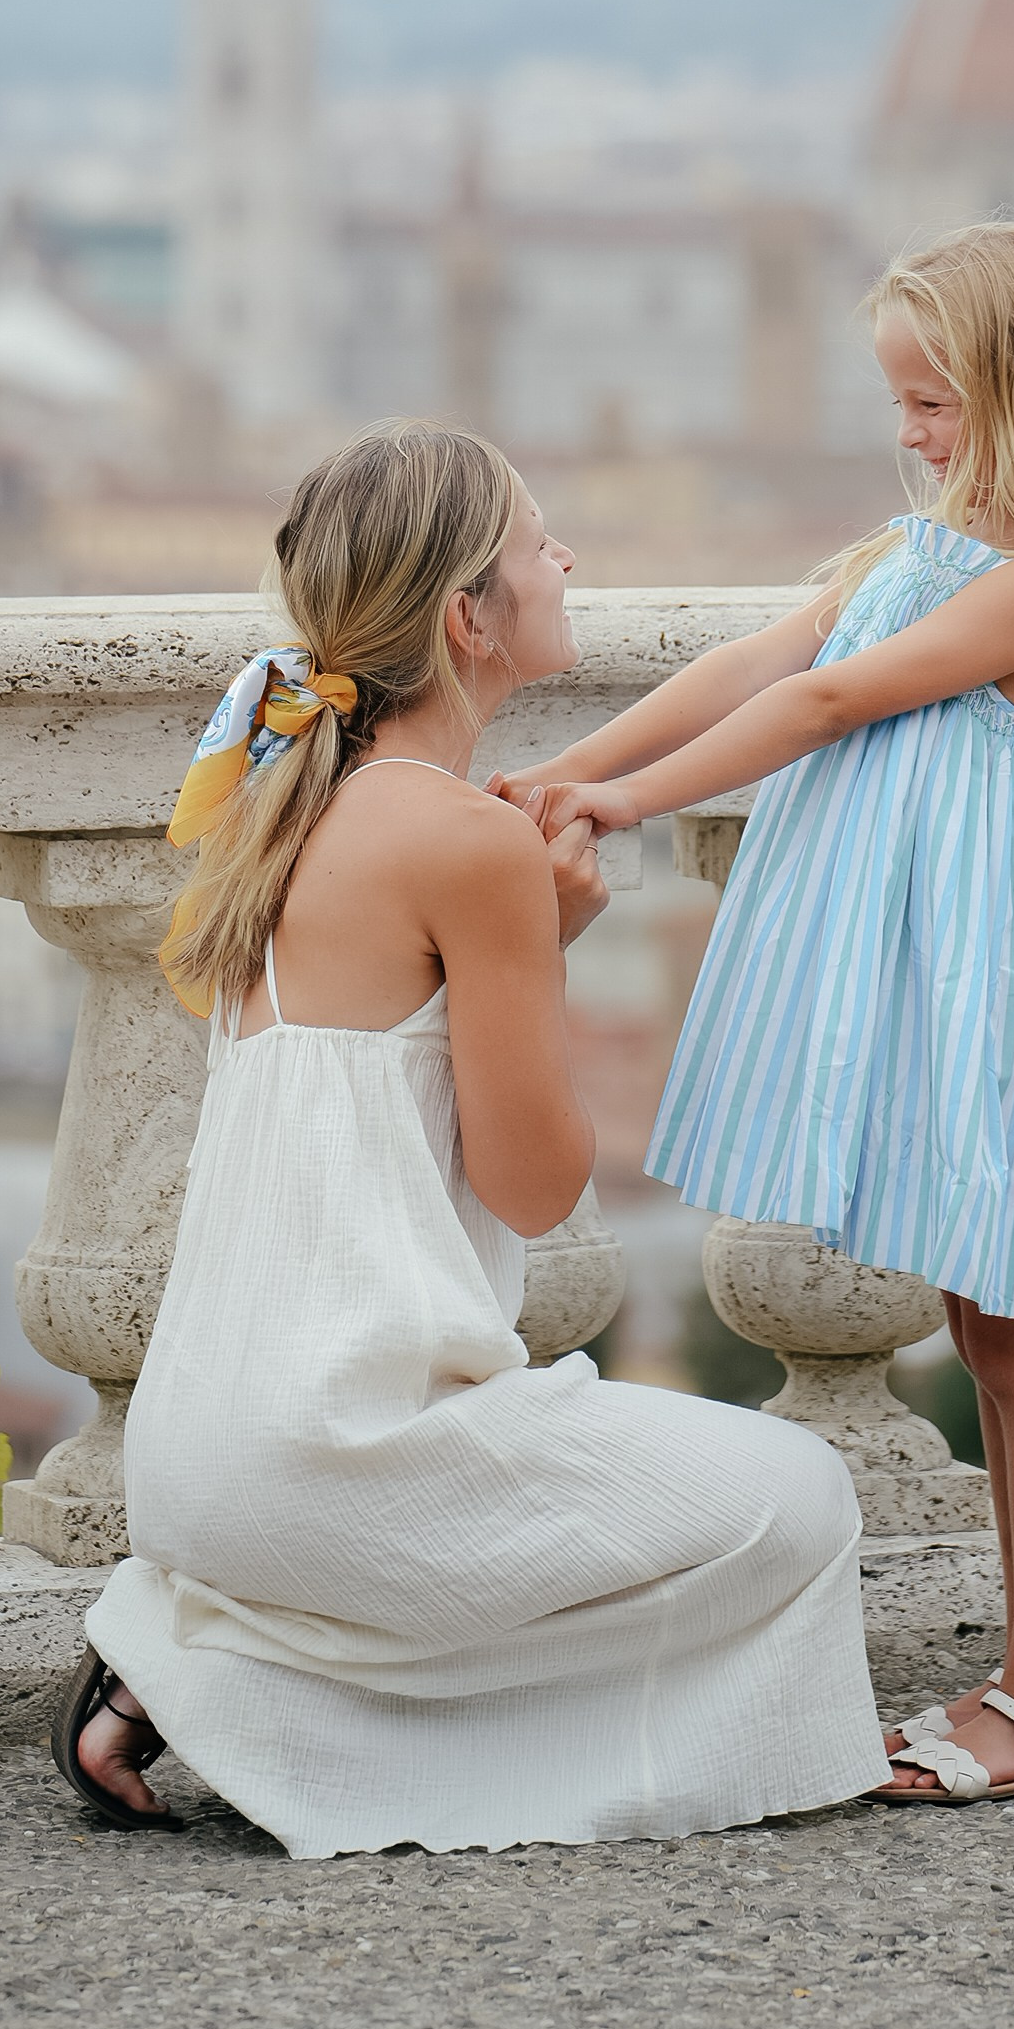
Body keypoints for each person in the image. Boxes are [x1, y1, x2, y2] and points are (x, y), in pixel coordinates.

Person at [57, 420, 890, 1857]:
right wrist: (546, 952)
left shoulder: (287, 803)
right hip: (343, 1459)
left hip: (194, 1471)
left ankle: (200, 1655)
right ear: (468, 616)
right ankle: (235, 1677)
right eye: (537, 543)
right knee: (801, 1500)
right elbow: (539, 1181)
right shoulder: (472, 846)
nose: (567, 559)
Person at [508, 222, 1014, 1805]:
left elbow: (816, 703)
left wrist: (613, 801)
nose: (911, 435)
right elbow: (759, 655)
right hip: (951, 967)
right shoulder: (922, 548)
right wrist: (570, 770)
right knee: (988, 1323)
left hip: (999, 979)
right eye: (901, 402)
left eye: (937, 405)